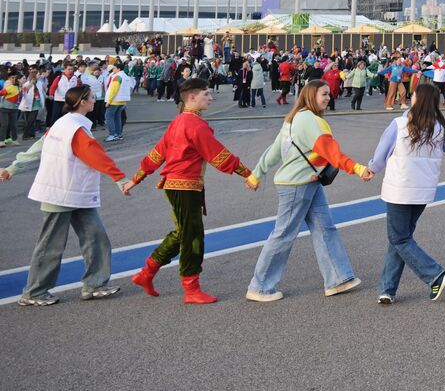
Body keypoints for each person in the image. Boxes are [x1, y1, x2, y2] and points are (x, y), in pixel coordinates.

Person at [123, 78, 254, 304]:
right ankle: (190, 288)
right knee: (192, 236)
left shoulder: (178, 122)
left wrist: (137, 178)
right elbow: (218, 155)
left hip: (177, 186)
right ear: (192, 98)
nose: (211, 98)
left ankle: (147, 273)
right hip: (184, 186)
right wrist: (248, 173)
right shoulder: (195, 125)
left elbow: (157, 153)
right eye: (206, 94)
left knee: (182, 233)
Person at [244, 79, 372, 302]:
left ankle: (338, 279)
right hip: (297, 184)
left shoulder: (294, 118)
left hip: (305, 183)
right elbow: (332, 152)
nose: (328, 97)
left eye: (328, 94)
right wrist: (358, 168)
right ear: (311, 95)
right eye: (323, 94)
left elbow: (275, 150)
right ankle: (260, 286)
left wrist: (257, 173)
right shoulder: (310, 121)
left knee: (324, 229)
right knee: (284, 234)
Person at [366, 83, 445, 304]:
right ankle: (387, 289)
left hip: (400, 189)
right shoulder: (438, 129)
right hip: (423, 192)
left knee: (399, 238)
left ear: (416, 98)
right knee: (400, 239)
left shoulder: (399, 124)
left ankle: (434, 274)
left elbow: (380, 154)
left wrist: (371, 169)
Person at [1, 85, 126, 306]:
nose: (94, 100)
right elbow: (96, 156)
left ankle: (95, 284)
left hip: (73, 191)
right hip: (62, 191)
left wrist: (13, 167)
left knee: (95, 237)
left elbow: (39, 146)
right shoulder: (75, 128)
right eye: (91, 97)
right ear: (83, 102)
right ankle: (34, 292)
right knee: (51, 244)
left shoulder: (63, 123)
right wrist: (120, 179)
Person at [103, 62, 135, 142]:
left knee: (109, 117)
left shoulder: (117, 77)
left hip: (115, 101)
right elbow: (131, 87)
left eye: (114, 68)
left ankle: (112, 134)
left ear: (118, 69)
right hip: (123, 101)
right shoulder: (126, 76)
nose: (112, 69)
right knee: (117, 117)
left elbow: (113, 90)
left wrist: (108, 101)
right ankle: (118, 134)